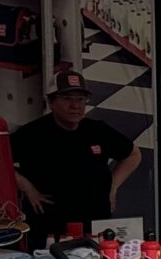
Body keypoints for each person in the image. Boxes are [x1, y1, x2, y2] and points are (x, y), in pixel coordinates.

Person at [11, 68, 142, 243]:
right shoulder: (31, 134)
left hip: (95, 226)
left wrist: (113, 186)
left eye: (80, 99)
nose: (75, 106)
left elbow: (133, 155)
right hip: (48, 230)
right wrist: (27, 187)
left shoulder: (98, 130)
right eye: (67, 99)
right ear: (51, 102)